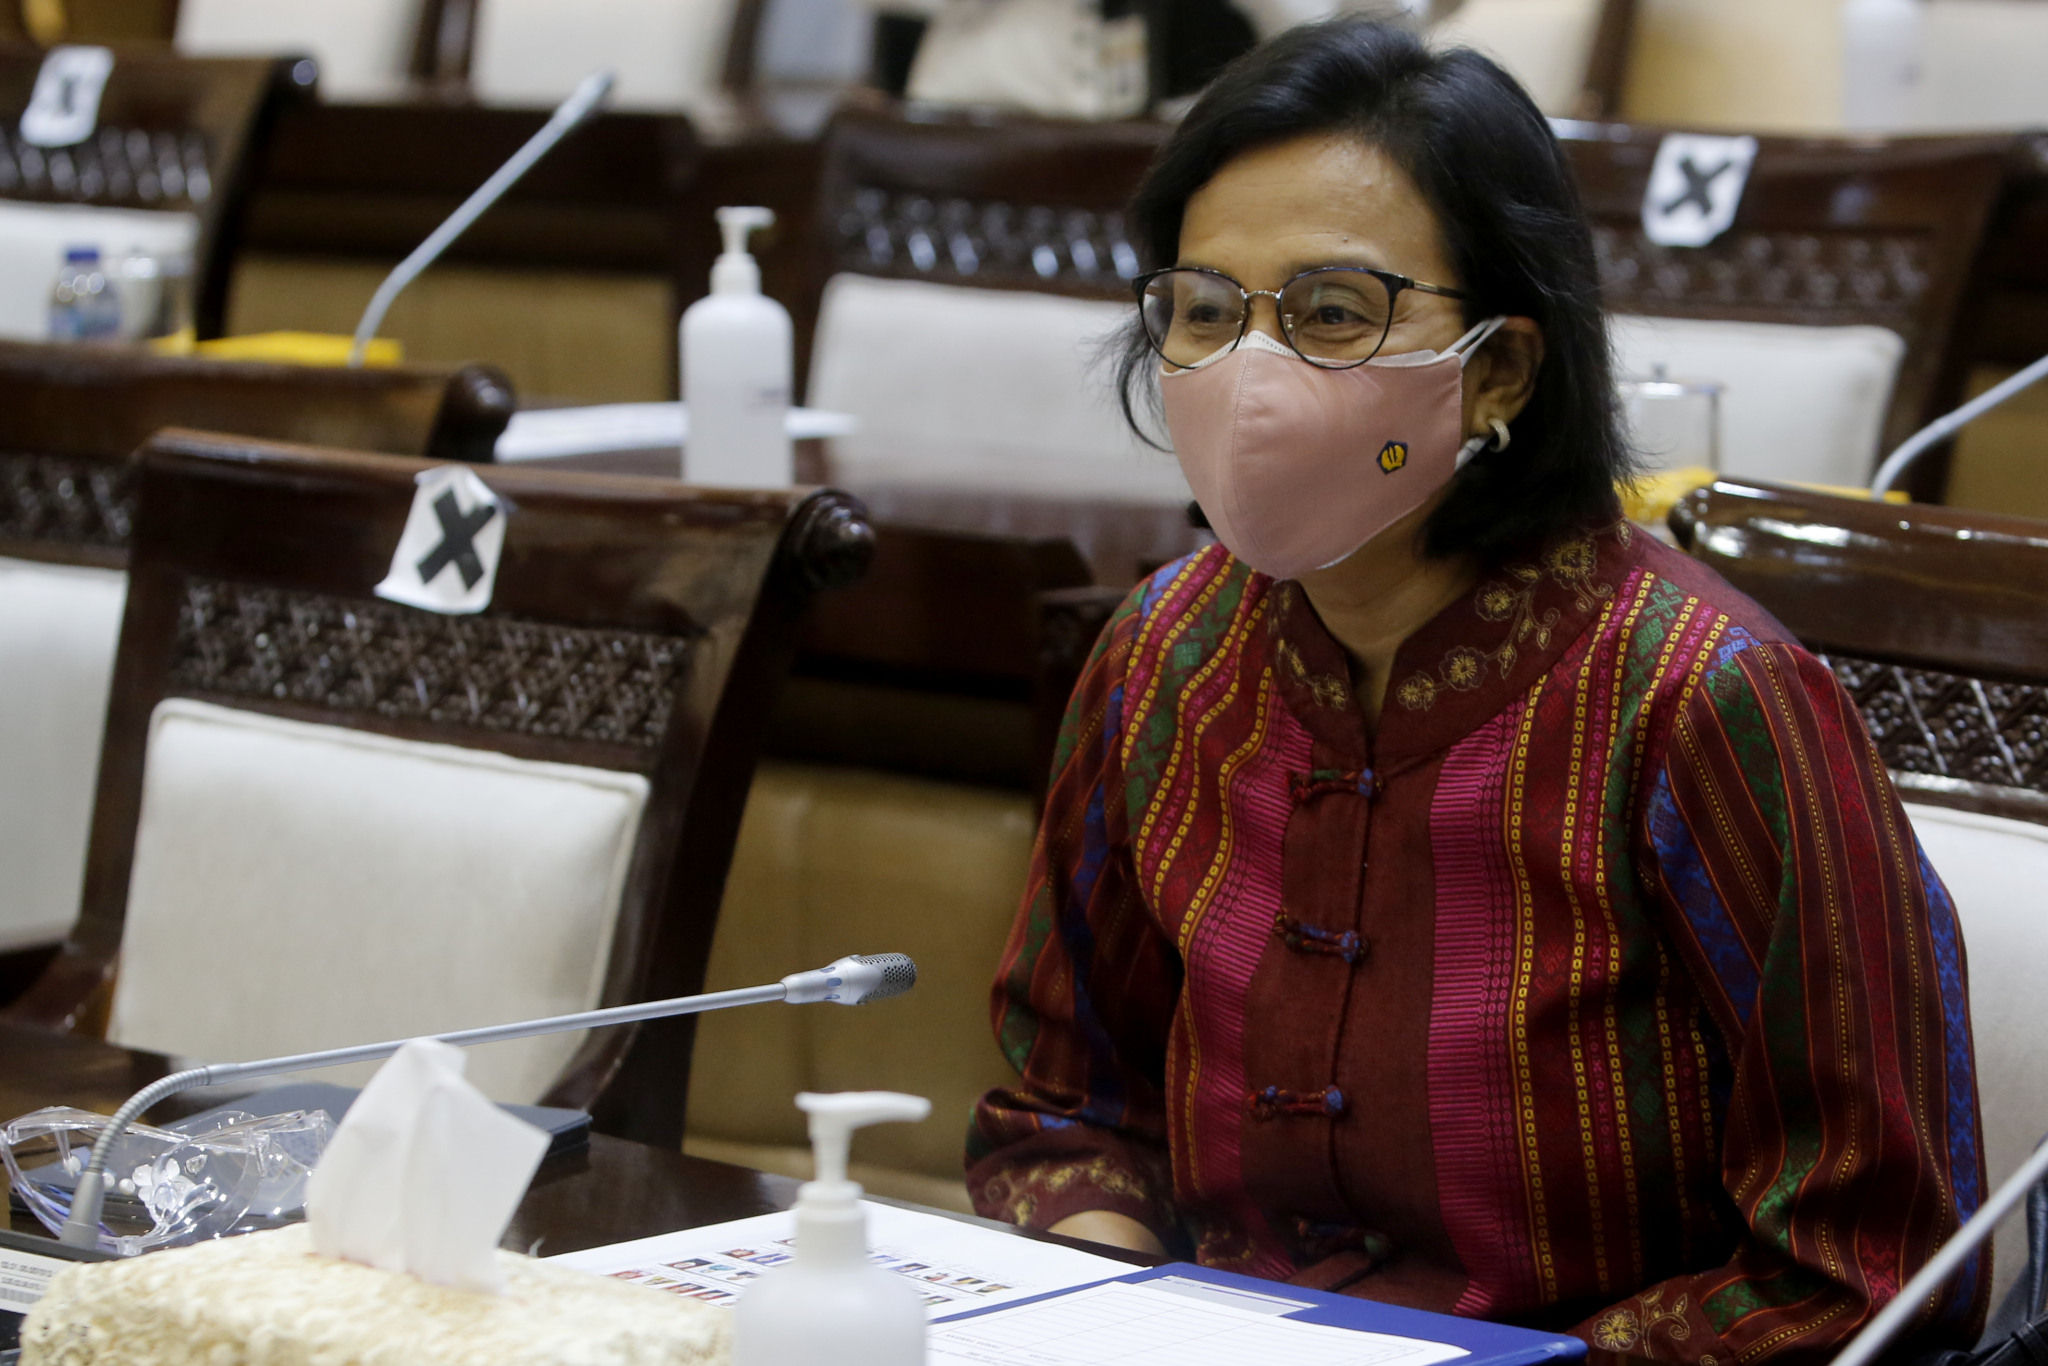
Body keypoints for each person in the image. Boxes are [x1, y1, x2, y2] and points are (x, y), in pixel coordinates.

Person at [966, 16, 1987, 1365]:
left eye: (1332, 312)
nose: (1249, 374)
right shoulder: (1163, 656)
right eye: (1205, 311)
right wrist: (1101, 1309)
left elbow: (1871, 1270)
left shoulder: (1703, 701)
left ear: (1500, 368)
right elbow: (1062, 1108)